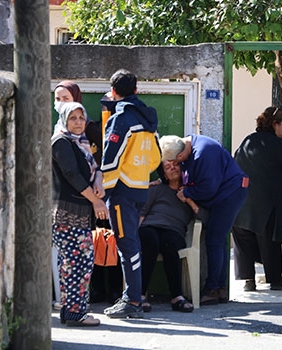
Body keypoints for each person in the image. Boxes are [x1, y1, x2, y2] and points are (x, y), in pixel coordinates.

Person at [159, 133, 248, 305]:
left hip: (230, 193)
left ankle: (213, 288)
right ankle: (219, 288)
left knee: (214, 239)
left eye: (177, 162)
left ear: (180, 155)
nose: (177, 166)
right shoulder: (187, 146)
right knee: (219, 239)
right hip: (225, 192)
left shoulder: (204, 154)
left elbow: (208, 188)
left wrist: (186, 193)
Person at [101, 69, 162, 319]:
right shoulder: (147, 119)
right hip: (139, 188)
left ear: (113, 92)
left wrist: (104, 190)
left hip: (121, 190)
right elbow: (156, 157)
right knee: (131, 244)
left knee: (127, 246)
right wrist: (140, 174)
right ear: (136, 90)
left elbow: (110, 157)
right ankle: (132, 297)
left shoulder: (121, 118)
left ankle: (133, 300)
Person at [51, 102, 107, 327]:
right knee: (77, 263)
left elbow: (92, 169)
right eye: (72, 118)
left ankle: (72, 312)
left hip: (78, 212)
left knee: (78, 262)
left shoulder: (81, 143)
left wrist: (99, 180)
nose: (77, 122)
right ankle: (75, 314)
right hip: (66, 213)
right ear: (64, 120)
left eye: (81, 118)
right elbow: (71, 174)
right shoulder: (61, 142)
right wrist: (96, 202)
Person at [232, 106, 282, 292]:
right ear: (274, 124)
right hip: (267, 202)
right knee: (269, 241)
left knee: (244, 239)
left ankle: (248, 280)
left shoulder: (248, 141)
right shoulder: (276, 143)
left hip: (243, 201)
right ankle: (275, 280)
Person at [139, 161, 197, 313]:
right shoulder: (157, 189)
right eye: (167, 167)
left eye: (175, 165)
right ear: (164, 175)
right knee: (150, 241)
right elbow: (143, 212)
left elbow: (203, 216)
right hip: (150, 226)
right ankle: (140, 294)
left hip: (174, 230)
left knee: (170, 243)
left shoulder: (192, 192)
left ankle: (177, 297)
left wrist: (188, 200)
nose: (172, 168)